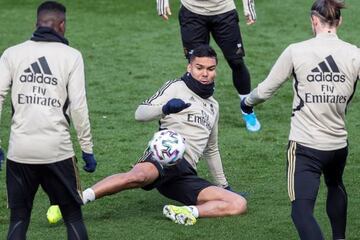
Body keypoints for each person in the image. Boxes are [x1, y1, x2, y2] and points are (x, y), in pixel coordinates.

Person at [74, 45, 246, 226]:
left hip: (186, 173)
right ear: (189, 67)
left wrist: (224, 186)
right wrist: (165, 109)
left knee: (238, 203)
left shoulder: (214, 106)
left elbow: (211, 149)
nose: (205, 74)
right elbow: (140, 113)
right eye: (199, 68)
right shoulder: (176, 87)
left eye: (210, 69)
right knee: (136, 177)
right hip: (163, 157)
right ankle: (78, 199)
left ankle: (186, 211)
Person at [241, 0, 356, 239]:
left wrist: (247, 102)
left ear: (314, 20)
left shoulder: (296, 50)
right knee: (335, 185)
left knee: (301, 212)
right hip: (338, 146)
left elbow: (265, 91)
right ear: (339, 21)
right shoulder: (355, 54)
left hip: (305, 148)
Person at [0, 1, 97, 239]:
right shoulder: (72, 56)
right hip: (58, 152)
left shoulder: (12, 53)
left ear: (37, 23)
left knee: (19, 220)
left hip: (19, 151)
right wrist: (87, 149)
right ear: (62, 25)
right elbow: (79, 106)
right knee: (73, 216)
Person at [156, 0, 261, 132]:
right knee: (197, 65)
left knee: (236, 62)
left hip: (224, 11)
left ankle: (247, 108)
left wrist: (248, 5)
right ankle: (198, 112)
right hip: (191, 11)